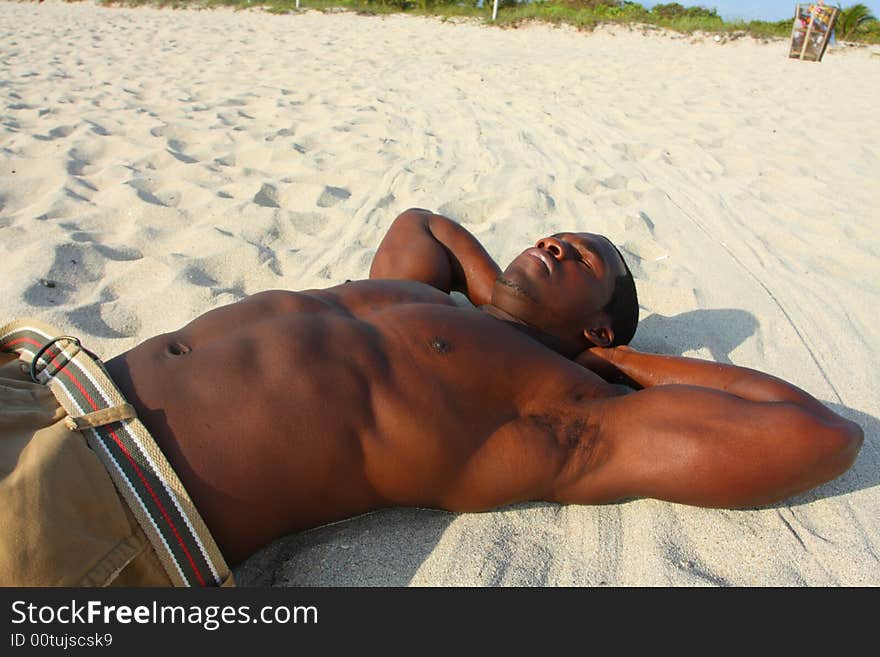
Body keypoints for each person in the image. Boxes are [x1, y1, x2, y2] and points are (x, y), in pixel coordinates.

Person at [0, 208, 863, 587]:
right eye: (555, 233)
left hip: (102, 499)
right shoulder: (422, 293)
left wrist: (625, 364)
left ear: (599, 330)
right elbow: (423, 222)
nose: (556, 241)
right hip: (43, 378)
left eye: (584, 259)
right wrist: (490, 299)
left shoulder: (562, 407)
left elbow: (814, 435)